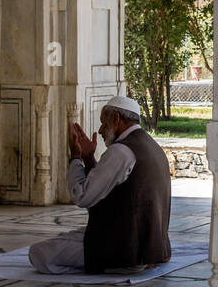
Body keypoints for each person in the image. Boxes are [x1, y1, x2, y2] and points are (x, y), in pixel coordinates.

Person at [28, 95, 172, 275]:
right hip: (151, 246)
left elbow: (82, 196)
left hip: (125, 250)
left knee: (39, 252)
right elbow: (110, 191)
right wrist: (89, 159)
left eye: (104, 123)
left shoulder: (121, 151)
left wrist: (75, 158)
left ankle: (109, 265)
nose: (101, 130)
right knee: (66, 238)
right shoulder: (152, 146)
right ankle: (140, 259)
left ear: (116, 119)